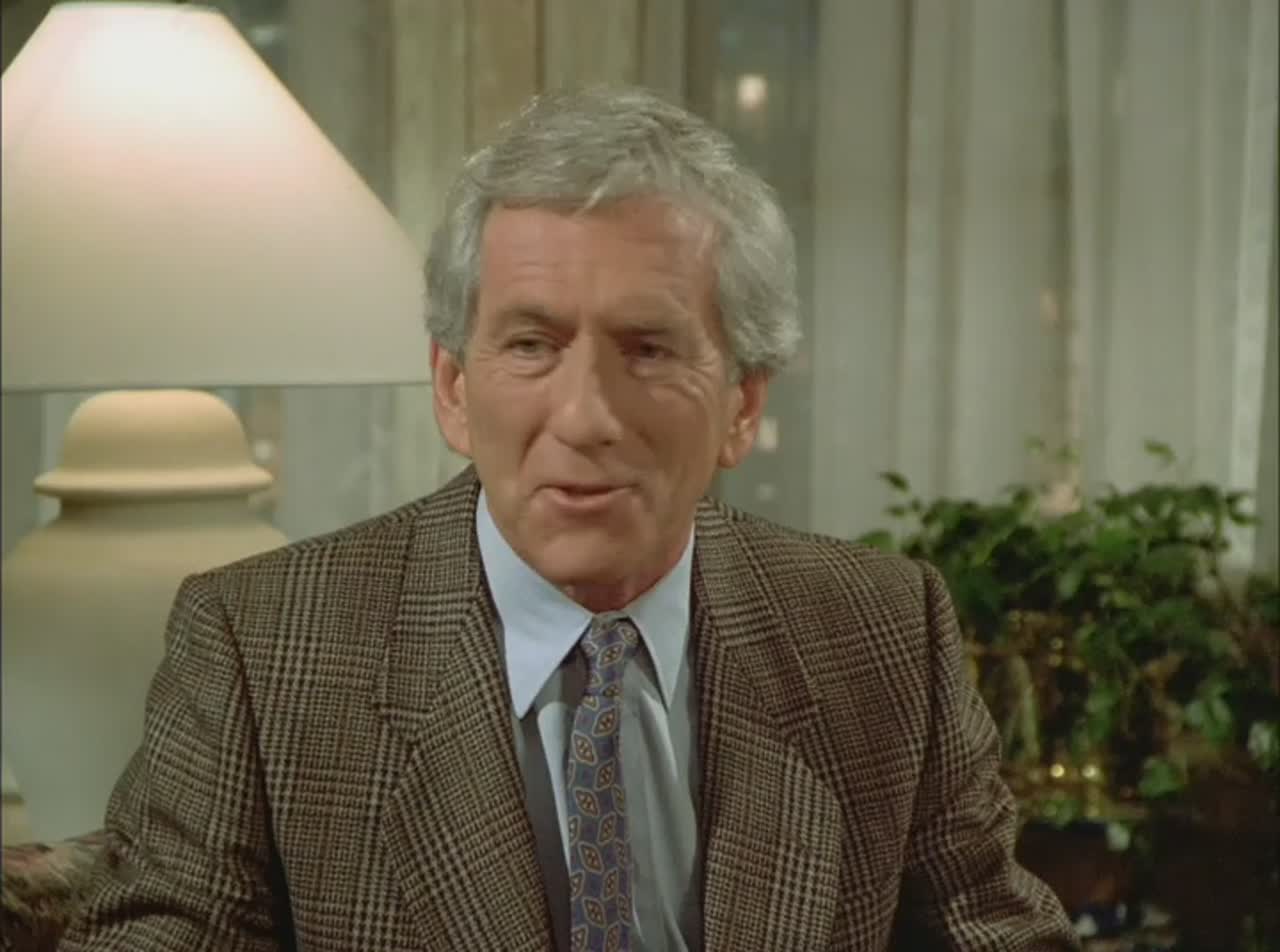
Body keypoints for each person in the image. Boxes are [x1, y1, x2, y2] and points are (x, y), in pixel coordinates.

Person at [61, 86, 1077, 951]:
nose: (585, 416)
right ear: (453, 390)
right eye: (531, 345)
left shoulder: (878, 630)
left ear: (742, 405)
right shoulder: (263, 647)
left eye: (647, 349)